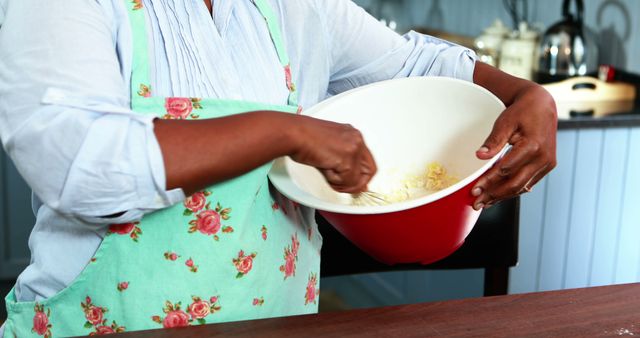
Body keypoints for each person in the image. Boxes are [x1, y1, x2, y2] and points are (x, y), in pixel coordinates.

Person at [0, 0, 556, 336]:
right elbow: (76, 166)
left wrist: (526, 94)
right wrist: (282, 130)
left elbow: (415, 63)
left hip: (278, 324)